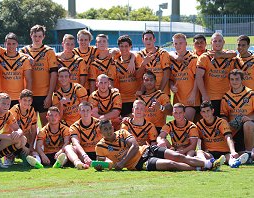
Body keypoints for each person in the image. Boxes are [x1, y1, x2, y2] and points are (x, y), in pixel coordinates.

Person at [95, 119, 225, 171]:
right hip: (139, 164)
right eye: (104, 130)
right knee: (171, 164)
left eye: (109, 128)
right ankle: (200, 168)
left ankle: (208, 164)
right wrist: (101, 167)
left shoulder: (122, 132)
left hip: (147, 150)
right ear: (100, 132)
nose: (108, 131)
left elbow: (134, 147)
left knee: (177, 156)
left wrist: (122, 162)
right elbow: (100, 162)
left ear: (113, 127)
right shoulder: (100, 147)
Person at [20, 24, 58, 127]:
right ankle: (31, 144)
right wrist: (27, 56)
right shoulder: (23, 51)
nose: (37, 38)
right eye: (35, 36)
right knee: (28, 126)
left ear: (43, 37)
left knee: (45, 125)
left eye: (40, 36)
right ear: (31, 35)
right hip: (28, 94)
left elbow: (54, 74)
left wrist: (49, 95)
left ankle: (44, 144)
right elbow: (13, 54)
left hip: (43, 94)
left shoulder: (49, 51)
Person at [196, 100, 249, 167]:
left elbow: (228, 137)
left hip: (224, 152)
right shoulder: (199, 124)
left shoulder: (221, 122)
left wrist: (233, 151)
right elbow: (199, 140)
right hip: (210, 153)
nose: (206, 114)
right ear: (201, 113)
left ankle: (234, 162)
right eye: (204, 111)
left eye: (208, 111)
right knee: (199, 152)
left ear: (212, 111)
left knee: (229, 157)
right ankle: (207, 164)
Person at [196, 32, 235, 116]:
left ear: (224, 42)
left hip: (227, 97)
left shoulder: (230, 56)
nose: (217, 43)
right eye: (215, 41)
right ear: (211, 43)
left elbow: (235, 53)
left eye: (220, 41)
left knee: (228, 124)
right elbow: (198, 77)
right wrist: (204, 95)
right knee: (213, 124)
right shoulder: (205, 57)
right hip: (211, 97)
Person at [220, 69, 254, 163]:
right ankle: (243, 154)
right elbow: (224, 116)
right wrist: (226, 127)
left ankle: (248, 153)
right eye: (232, 79)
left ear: (242, 79)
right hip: (235, 128)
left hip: (249, 127)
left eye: (237, 79)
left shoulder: (250, 94)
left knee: (248, 124)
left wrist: (249, 118)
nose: (234, 81)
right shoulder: (226, 97)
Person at [169, 33, 200, 121]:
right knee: (179, 126)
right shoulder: (171, 60)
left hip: (191, 99)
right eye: (175, 43)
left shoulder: (193, 59)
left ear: (186, 44)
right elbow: (170, 79)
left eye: (181, 43)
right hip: (178, 99)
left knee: (186, 124)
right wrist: (171, 86)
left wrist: (193, 94)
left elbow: (197, 78)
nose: (178, 46)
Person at [2, 89, 37, 165]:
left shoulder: (32, 111)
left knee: (28, 162)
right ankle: (8, 155)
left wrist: (30, 146)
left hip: (22, 140)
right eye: (24, 100)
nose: (27, 103)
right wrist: (24, 147)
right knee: (10, 162)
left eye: (29, 100)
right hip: (10, 139)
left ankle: (20, 154)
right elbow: (13, 131)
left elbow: (34, 130)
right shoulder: (14, 110)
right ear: (19, 100)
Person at [0, 32, 32, 107]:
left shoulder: (24, 59)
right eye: (9, 44)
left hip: (19, 97)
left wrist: (27, 97)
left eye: (13, 44)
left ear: (17, 44)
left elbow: (29, 80)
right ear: (5, 44)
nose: (11, 46)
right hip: (4, 97)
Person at [114, 35, 143, 117]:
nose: (124, 48)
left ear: (130, 46)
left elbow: (141, 75)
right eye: (121, 46)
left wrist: (132, 60)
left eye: (126, 46)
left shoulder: (136, 57)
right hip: (121, 98)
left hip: (135, 97)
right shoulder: (116, 59)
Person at [136, 30, 171, 95]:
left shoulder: (163, 53)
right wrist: (143, 64)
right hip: (146, 93)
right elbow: (137, 76)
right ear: (143, 40)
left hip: (162, 92)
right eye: (146, 39)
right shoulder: (140, 55)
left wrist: (158, 92)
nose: (148, 41)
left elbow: (167, 74)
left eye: (150, 39)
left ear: (154, 39)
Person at [70, 101, 102, 166]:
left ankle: (104, 162)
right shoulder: (74, 126)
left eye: (88, 110)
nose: (85, 113)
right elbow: (76, 143)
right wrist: (85, 156)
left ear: (91, 111)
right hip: (83, 154)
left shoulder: (99, 123)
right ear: (79, 111)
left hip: (98, 153)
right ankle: (78, 163)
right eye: (83, 110)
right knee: (68, 147)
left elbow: (104, 140)